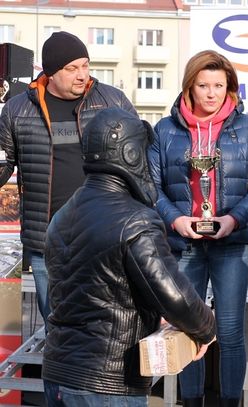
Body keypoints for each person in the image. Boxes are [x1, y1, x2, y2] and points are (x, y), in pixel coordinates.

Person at [42, 107, 216, 406]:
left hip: (59, 373)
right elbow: (174, 295)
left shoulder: (63, 215)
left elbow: (95, 287)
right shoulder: (136, 220)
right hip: (108, 381)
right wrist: (206, 328)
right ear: (131, 154)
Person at [148, 50, 248, 407]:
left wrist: (234, 219)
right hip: (183, 245)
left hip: (231, 243)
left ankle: (232, 401)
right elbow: (151, 186)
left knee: (229, 331)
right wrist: (176, 219)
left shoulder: (247, 129)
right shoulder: (165, 130)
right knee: (188, 328)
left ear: (230, 87)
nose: (211, 93)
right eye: (203, 85)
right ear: (190, 87)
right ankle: (191, 401)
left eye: (219, 85)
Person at [0, 31, 136, 324]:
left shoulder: (113, 101)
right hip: (45, 239)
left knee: (104, 325)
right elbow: (3, 164)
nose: (82, 75)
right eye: (72, 68)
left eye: (85, 66)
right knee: (56, 326)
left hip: (102, 237)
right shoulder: (17, 109)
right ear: (50, 72)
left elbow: (140, 161)